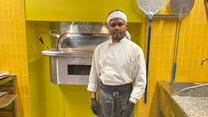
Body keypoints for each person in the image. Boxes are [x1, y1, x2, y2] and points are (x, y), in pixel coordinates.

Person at [87, 10, 146, 117]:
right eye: (113, 25)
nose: (117, 28)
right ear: (108, 28)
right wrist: (93, 98)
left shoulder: (135, 50)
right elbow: (94, 75)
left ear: (126, 26)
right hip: (104, 97)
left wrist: (131, 103)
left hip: (125, 98)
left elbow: (141, 81)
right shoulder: (100, 49)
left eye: (120, 24)